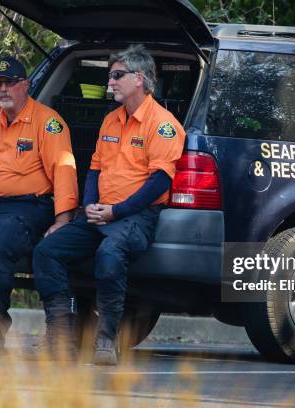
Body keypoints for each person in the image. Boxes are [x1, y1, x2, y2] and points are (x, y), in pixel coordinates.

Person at [23, 44, 185, 365]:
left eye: (116, 76)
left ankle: (106, 339)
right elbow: (94, 169)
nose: (110, 82)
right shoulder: (111, 120)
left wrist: (116, 211)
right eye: (110, 76)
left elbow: (159, 182)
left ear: (139, 79)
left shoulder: (163, 124)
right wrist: (90, 206)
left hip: (135, 217)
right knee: (46, 252)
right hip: (101, 212)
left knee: (109, 254)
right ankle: (60, 335)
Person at [0, 56, 78, 355]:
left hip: (28, 207)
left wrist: (63, 219)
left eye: (10, 83)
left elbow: (63, 169)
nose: (3, 89)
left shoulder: (48, 122)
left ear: (26, 85)